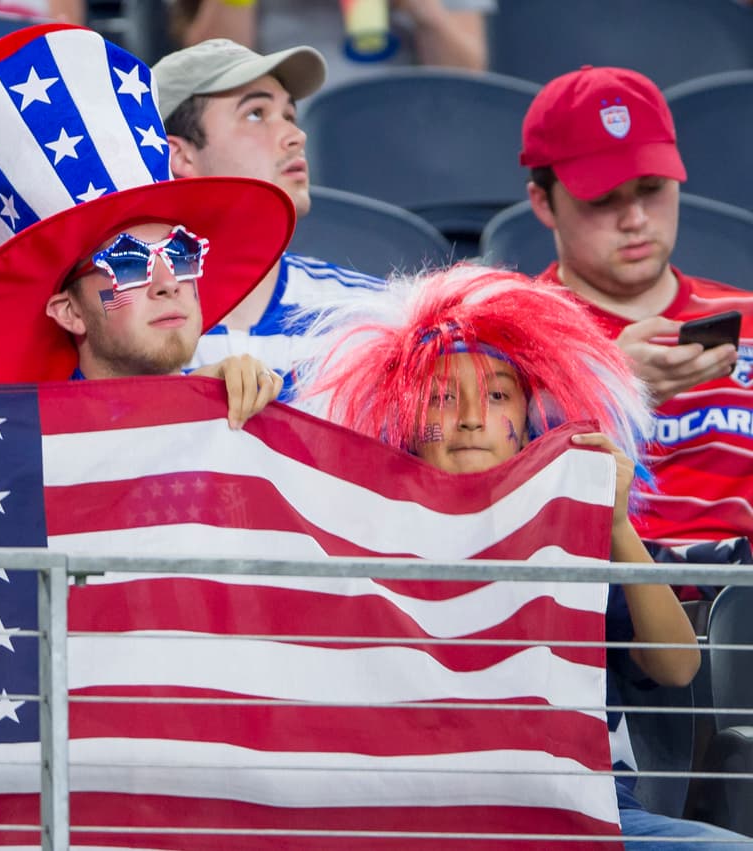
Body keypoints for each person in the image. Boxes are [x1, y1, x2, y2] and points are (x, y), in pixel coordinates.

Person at [296, 263, 749, 848]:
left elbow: (677, 667)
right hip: (418, 815)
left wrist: (613, 524)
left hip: (592, 814)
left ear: (531, 416)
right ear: (405, 418)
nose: (469, 417)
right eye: (440, 397)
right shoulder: (365, 534)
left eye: (498, 395)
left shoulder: (578, 528)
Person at [0, 22, 294, 428]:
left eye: (181, 254)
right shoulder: (36, 454)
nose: (168, 282)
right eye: (128, 263)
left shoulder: (241, 409)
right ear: (69, 312)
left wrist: (230, 422)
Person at [520, 66, 753, 556]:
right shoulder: (506, 332)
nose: (636, 220)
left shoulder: (748, 316)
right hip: (597, 608)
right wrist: (606, 387)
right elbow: (474, 488)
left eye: (651, 188)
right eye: (603, 200)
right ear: (543, 203)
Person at [153, 37, 382, 398]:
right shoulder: (123, 330)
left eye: (290, 116)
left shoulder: (368, 317)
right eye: (256, 114)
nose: (296, 135)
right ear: (178, 156)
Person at [171, 0, 494, 90]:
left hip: (409, 119)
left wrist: (424, 10)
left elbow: (466, 79)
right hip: (282, 116)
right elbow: (208, 71)